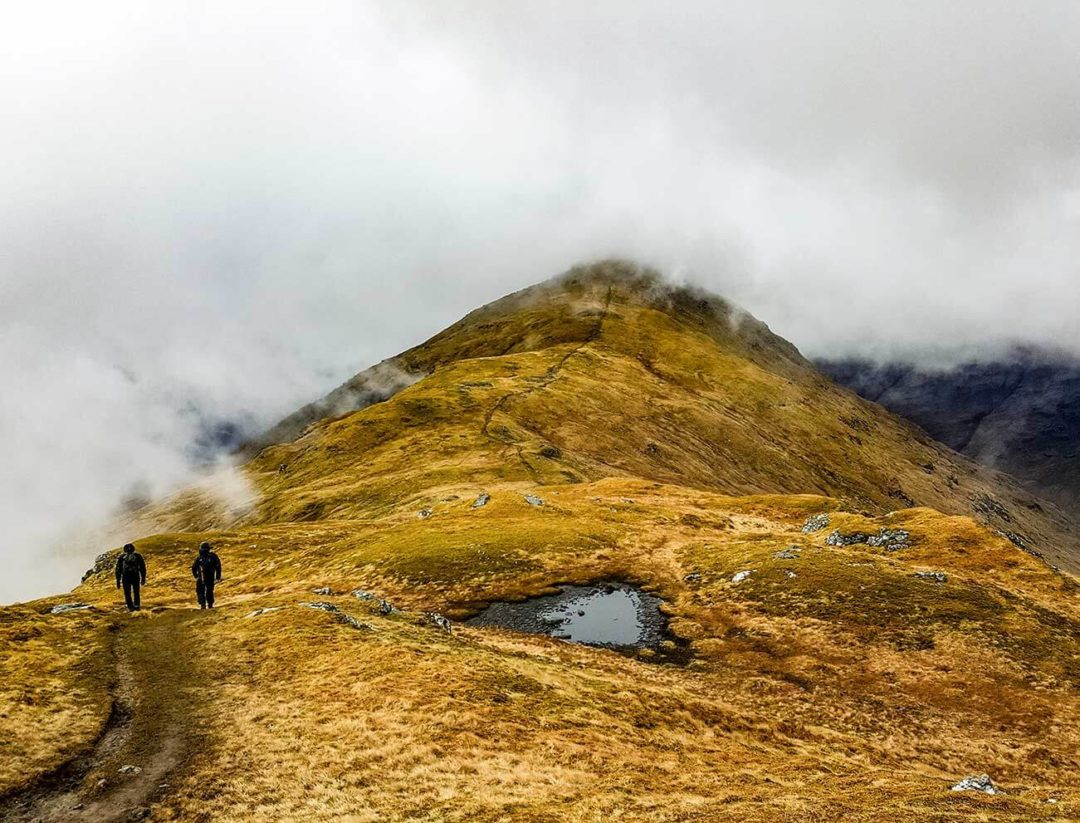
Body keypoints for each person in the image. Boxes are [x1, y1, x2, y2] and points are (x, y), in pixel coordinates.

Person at [114, 543, 147, 612]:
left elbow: (118, 569)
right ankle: (137, 606)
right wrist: (143, 578)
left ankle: (130, 607)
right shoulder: (138, 556)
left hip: (126, 577)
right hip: (135, 576)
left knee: (127, 593)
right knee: (136, 591)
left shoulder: (122, 557)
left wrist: (118, 580)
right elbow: (142, 568)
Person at [191, 542, 222, 609]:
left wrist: (196, 576)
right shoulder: (213, 556)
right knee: (209, 591)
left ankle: (203, 605)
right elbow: (218, 566)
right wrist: (218, 576)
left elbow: (194, 568)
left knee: (201, 591)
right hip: (210, 577)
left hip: (201, 577)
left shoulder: (199, 558)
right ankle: (210, 605)